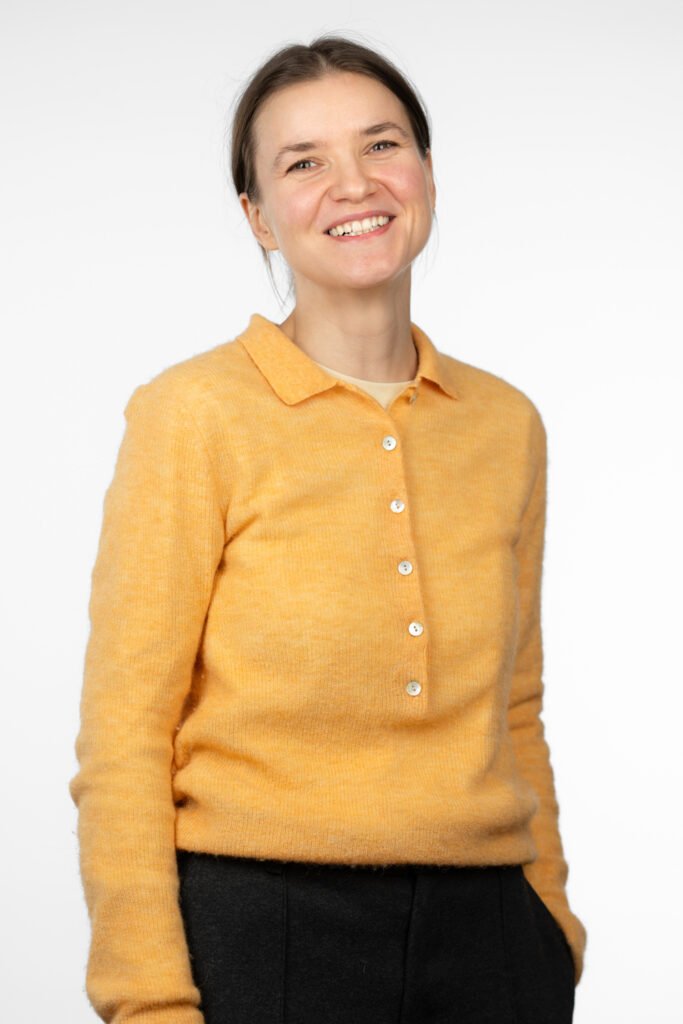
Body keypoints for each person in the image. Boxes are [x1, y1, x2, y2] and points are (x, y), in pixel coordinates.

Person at [68, 33, 588, 1024]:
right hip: (263, 934)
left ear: (426, 172)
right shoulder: (192, 413)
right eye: (302, 162)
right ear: (257, 216)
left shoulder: (502, 423)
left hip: (488, 942)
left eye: (380, 145)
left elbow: (513, 709)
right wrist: (144, 995)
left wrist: (547, 926)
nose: (352, 183)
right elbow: (127, 731)